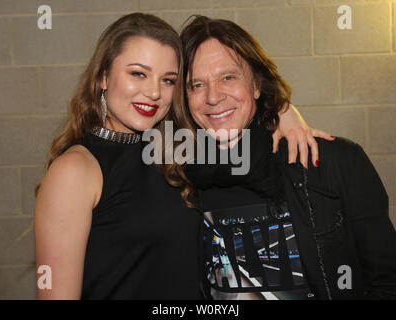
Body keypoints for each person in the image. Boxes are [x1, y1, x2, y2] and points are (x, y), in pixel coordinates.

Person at [34, 13, 331, 300]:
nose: (153, 92)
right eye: (138, 73)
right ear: (103, 77)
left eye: (168, 80)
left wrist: (282, 112)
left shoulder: (176, 150)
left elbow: (238, 132)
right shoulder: (76, 168)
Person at [165, 15, 396, 300]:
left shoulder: (336, 162)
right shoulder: (178, 181)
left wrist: (283, 108)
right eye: (197, 85)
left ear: (257, 85)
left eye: (228, 77)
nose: (213, 97)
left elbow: (387, 283)